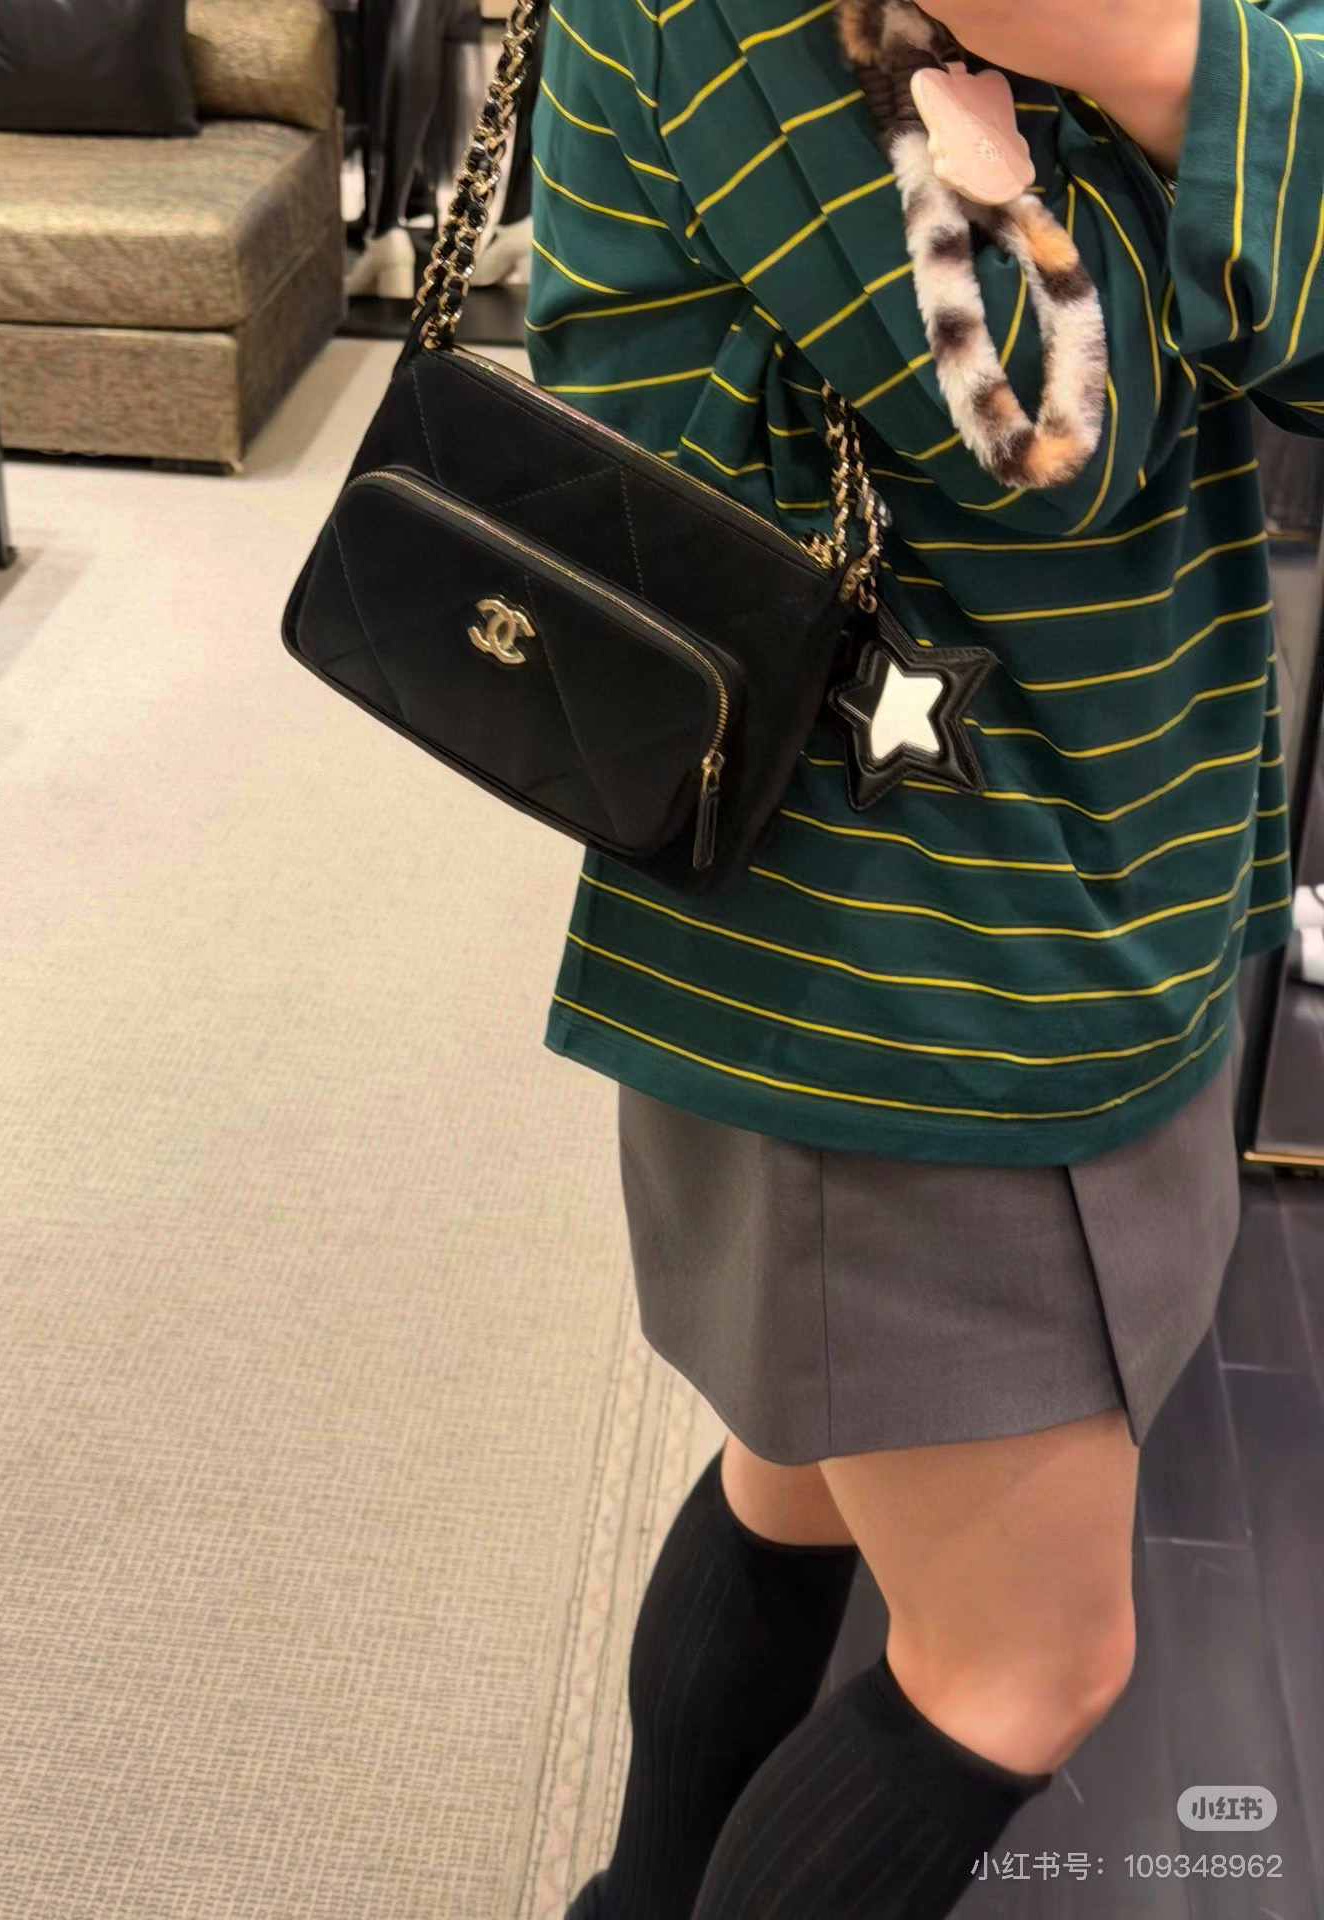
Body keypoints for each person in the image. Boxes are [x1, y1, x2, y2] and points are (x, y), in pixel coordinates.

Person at [519, 0, 1324, 1914]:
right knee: (1027, 1662)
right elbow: (1065, 433)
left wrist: (1147, 65)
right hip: (915, 960)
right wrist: (1183, 74)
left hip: (1031, 872)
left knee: (799, 1481)